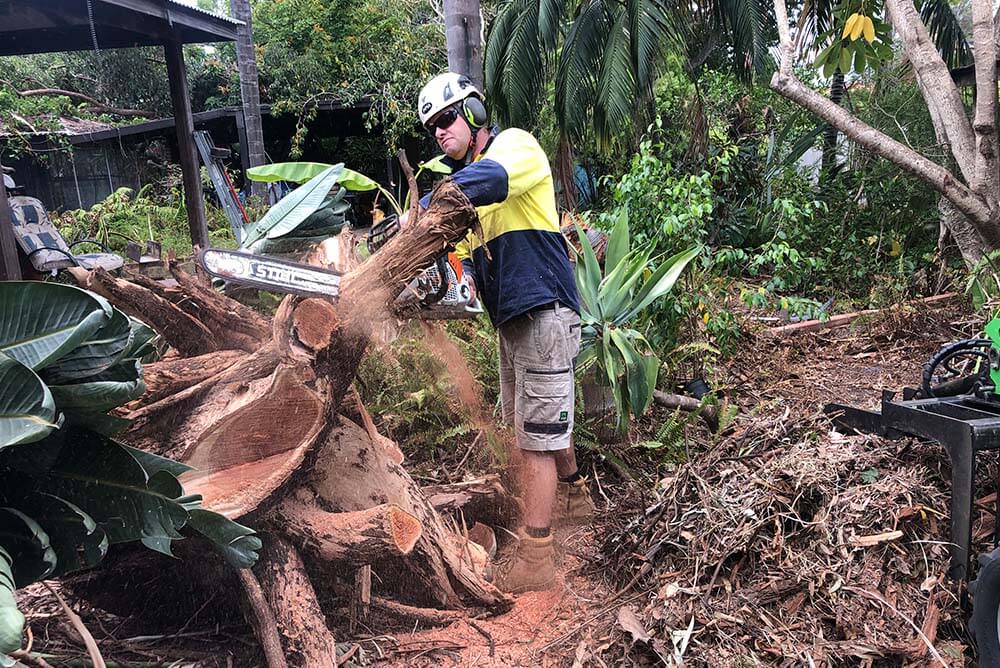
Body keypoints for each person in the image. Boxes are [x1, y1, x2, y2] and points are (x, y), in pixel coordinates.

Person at [413, 72, 595, 593]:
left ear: (472, 113)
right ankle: (576, 494)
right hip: (514, 322)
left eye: (447, 119)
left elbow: (487, 181)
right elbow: (465, 275)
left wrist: (426, 210)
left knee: (535, 439)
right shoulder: (470, 198)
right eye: (433, 127)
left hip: (543, 312)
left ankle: (537, 556)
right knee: (534, 423)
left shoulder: (514, 149)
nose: (440, 132)